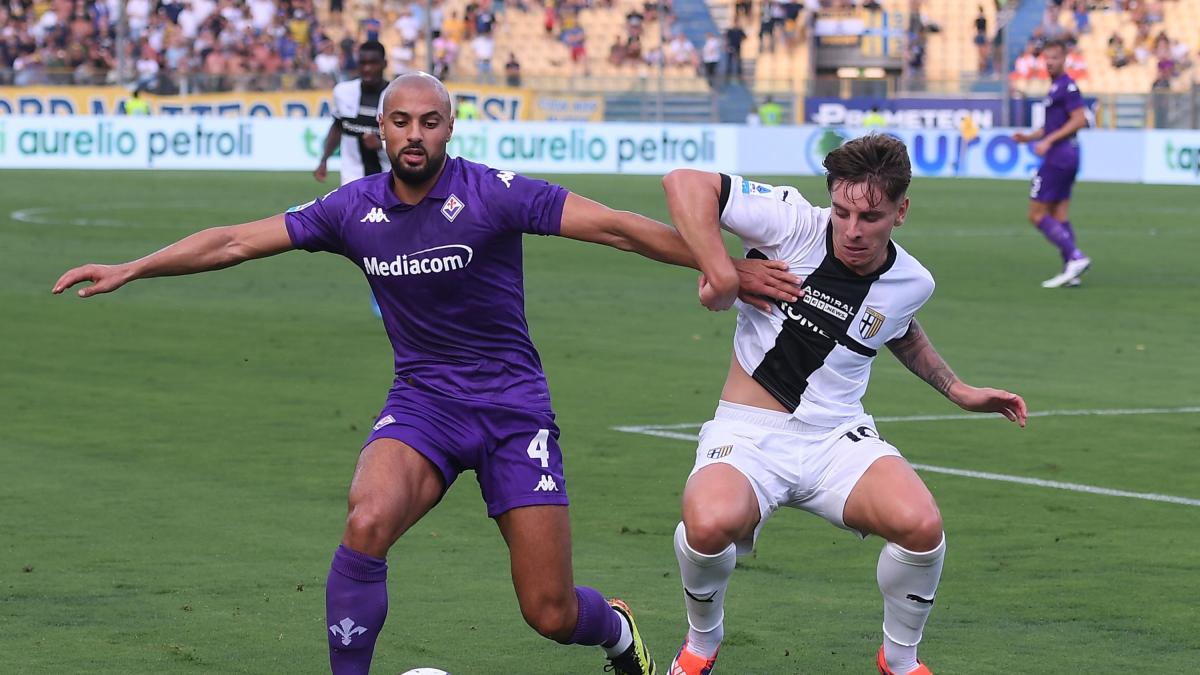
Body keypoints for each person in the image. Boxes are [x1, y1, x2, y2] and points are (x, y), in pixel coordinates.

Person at [52, 72, 802, 675]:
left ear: (450, 128)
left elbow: (615, 227)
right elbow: (232, 242)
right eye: (401, 122)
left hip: (513, 410)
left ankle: (616, 630)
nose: (415, 134)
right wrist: (133, 267)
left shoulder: (493, 192)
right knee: (366, 520)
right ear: (379, 130)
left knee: (548, 611)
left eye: (430, 122)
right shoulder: (350, 209)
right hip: (424, 403)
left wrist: (724, 265)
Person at [660, 134, 1028, 675]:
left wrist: (958, 390)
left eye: (871, 217)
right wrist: (725, 270)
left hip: (838, 439)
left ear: (901, 212)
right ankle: (701, 642)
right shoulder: (791, 222)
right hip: (749, 433)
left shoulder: (913, 281)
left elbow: (897, 328)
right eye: (842, 211)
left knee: (922, 526)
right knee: (709, 523)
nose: (852, 229)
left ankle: (899, 661)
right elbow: (684, 183)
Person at [1011, 39, 1091, 288]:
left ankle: (1075, 256)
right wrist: (1029, 137)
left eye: (1055, 58)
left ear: (1065, 59)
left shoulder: (1067, 87)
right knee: (1059, 214)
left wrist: (1049, 141)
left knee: (1036, 214)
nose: (1049, 62)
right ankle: (1071, 269)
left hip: (1060, 156)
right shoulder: (1056, 87)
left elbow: (1079, 120)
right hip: (1067, 155)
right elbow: (1050, 127)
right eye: (1046, 58)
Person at [314, 41, 389, 186]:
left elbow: (406, 136)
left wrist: (381, 144)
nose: (367, 68)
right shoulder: (343, 92)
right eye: (363, 63)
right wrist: (324, 160)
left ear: (384, 64)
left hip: (388, 178)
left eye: (373, 63)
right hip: (352, 179)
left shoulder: (396, 95)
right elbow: (338, 126)